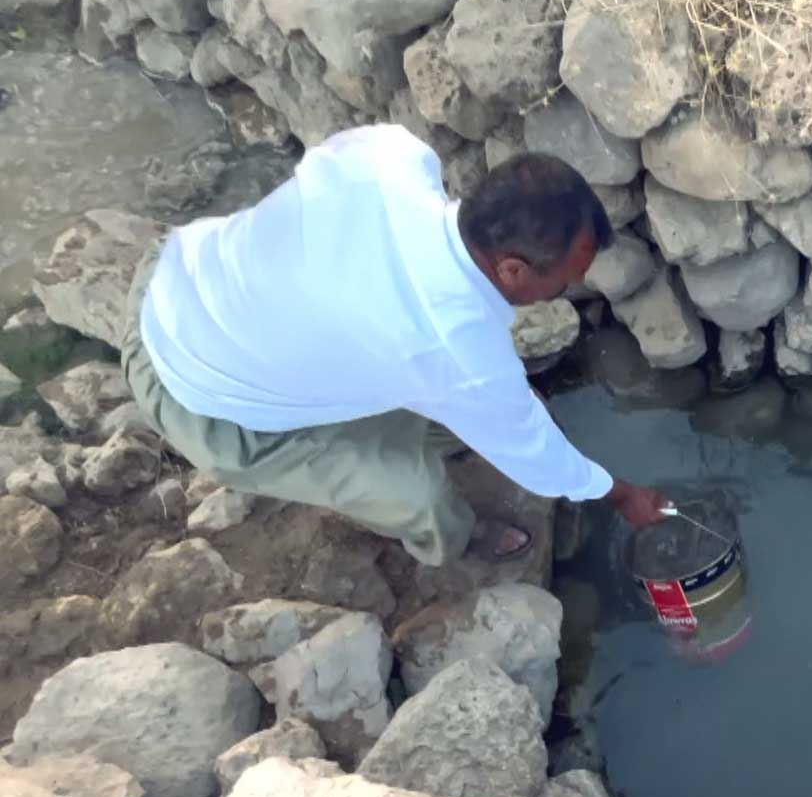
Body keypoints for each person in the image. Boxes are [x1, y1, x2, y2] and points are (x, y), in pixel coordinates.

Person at [119, 123, 667, 564]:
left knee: (465, 414)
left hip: (177, 270)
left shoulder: (393, 156)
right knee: (419, 495)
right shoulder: (455, 350)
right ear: (514, 270)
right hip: (195, 391)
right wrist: (621, 494)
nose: (570, 290)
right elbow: (538, 457)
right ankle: (453, 542)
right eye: (566, 279)